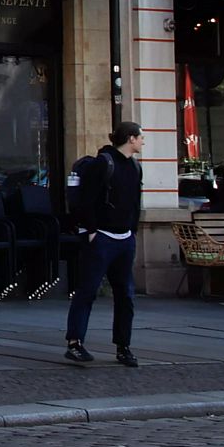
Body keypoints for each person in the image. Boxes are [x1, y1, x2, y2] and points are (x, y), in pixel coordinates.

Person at [64, 120, 144, 367]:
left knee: (125, 295)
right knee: (87, 291)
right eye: (140, 137)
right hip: (102, 237)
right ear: (130, 138)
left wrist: (132, 231)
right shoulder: (104, 163)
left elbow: (134, 202)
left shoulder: (135, 166)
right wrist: (90, 231)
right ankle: (75, 342)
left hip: (124, 238)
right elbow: (87, 199)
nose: (143, 141)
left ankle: (123, 346)